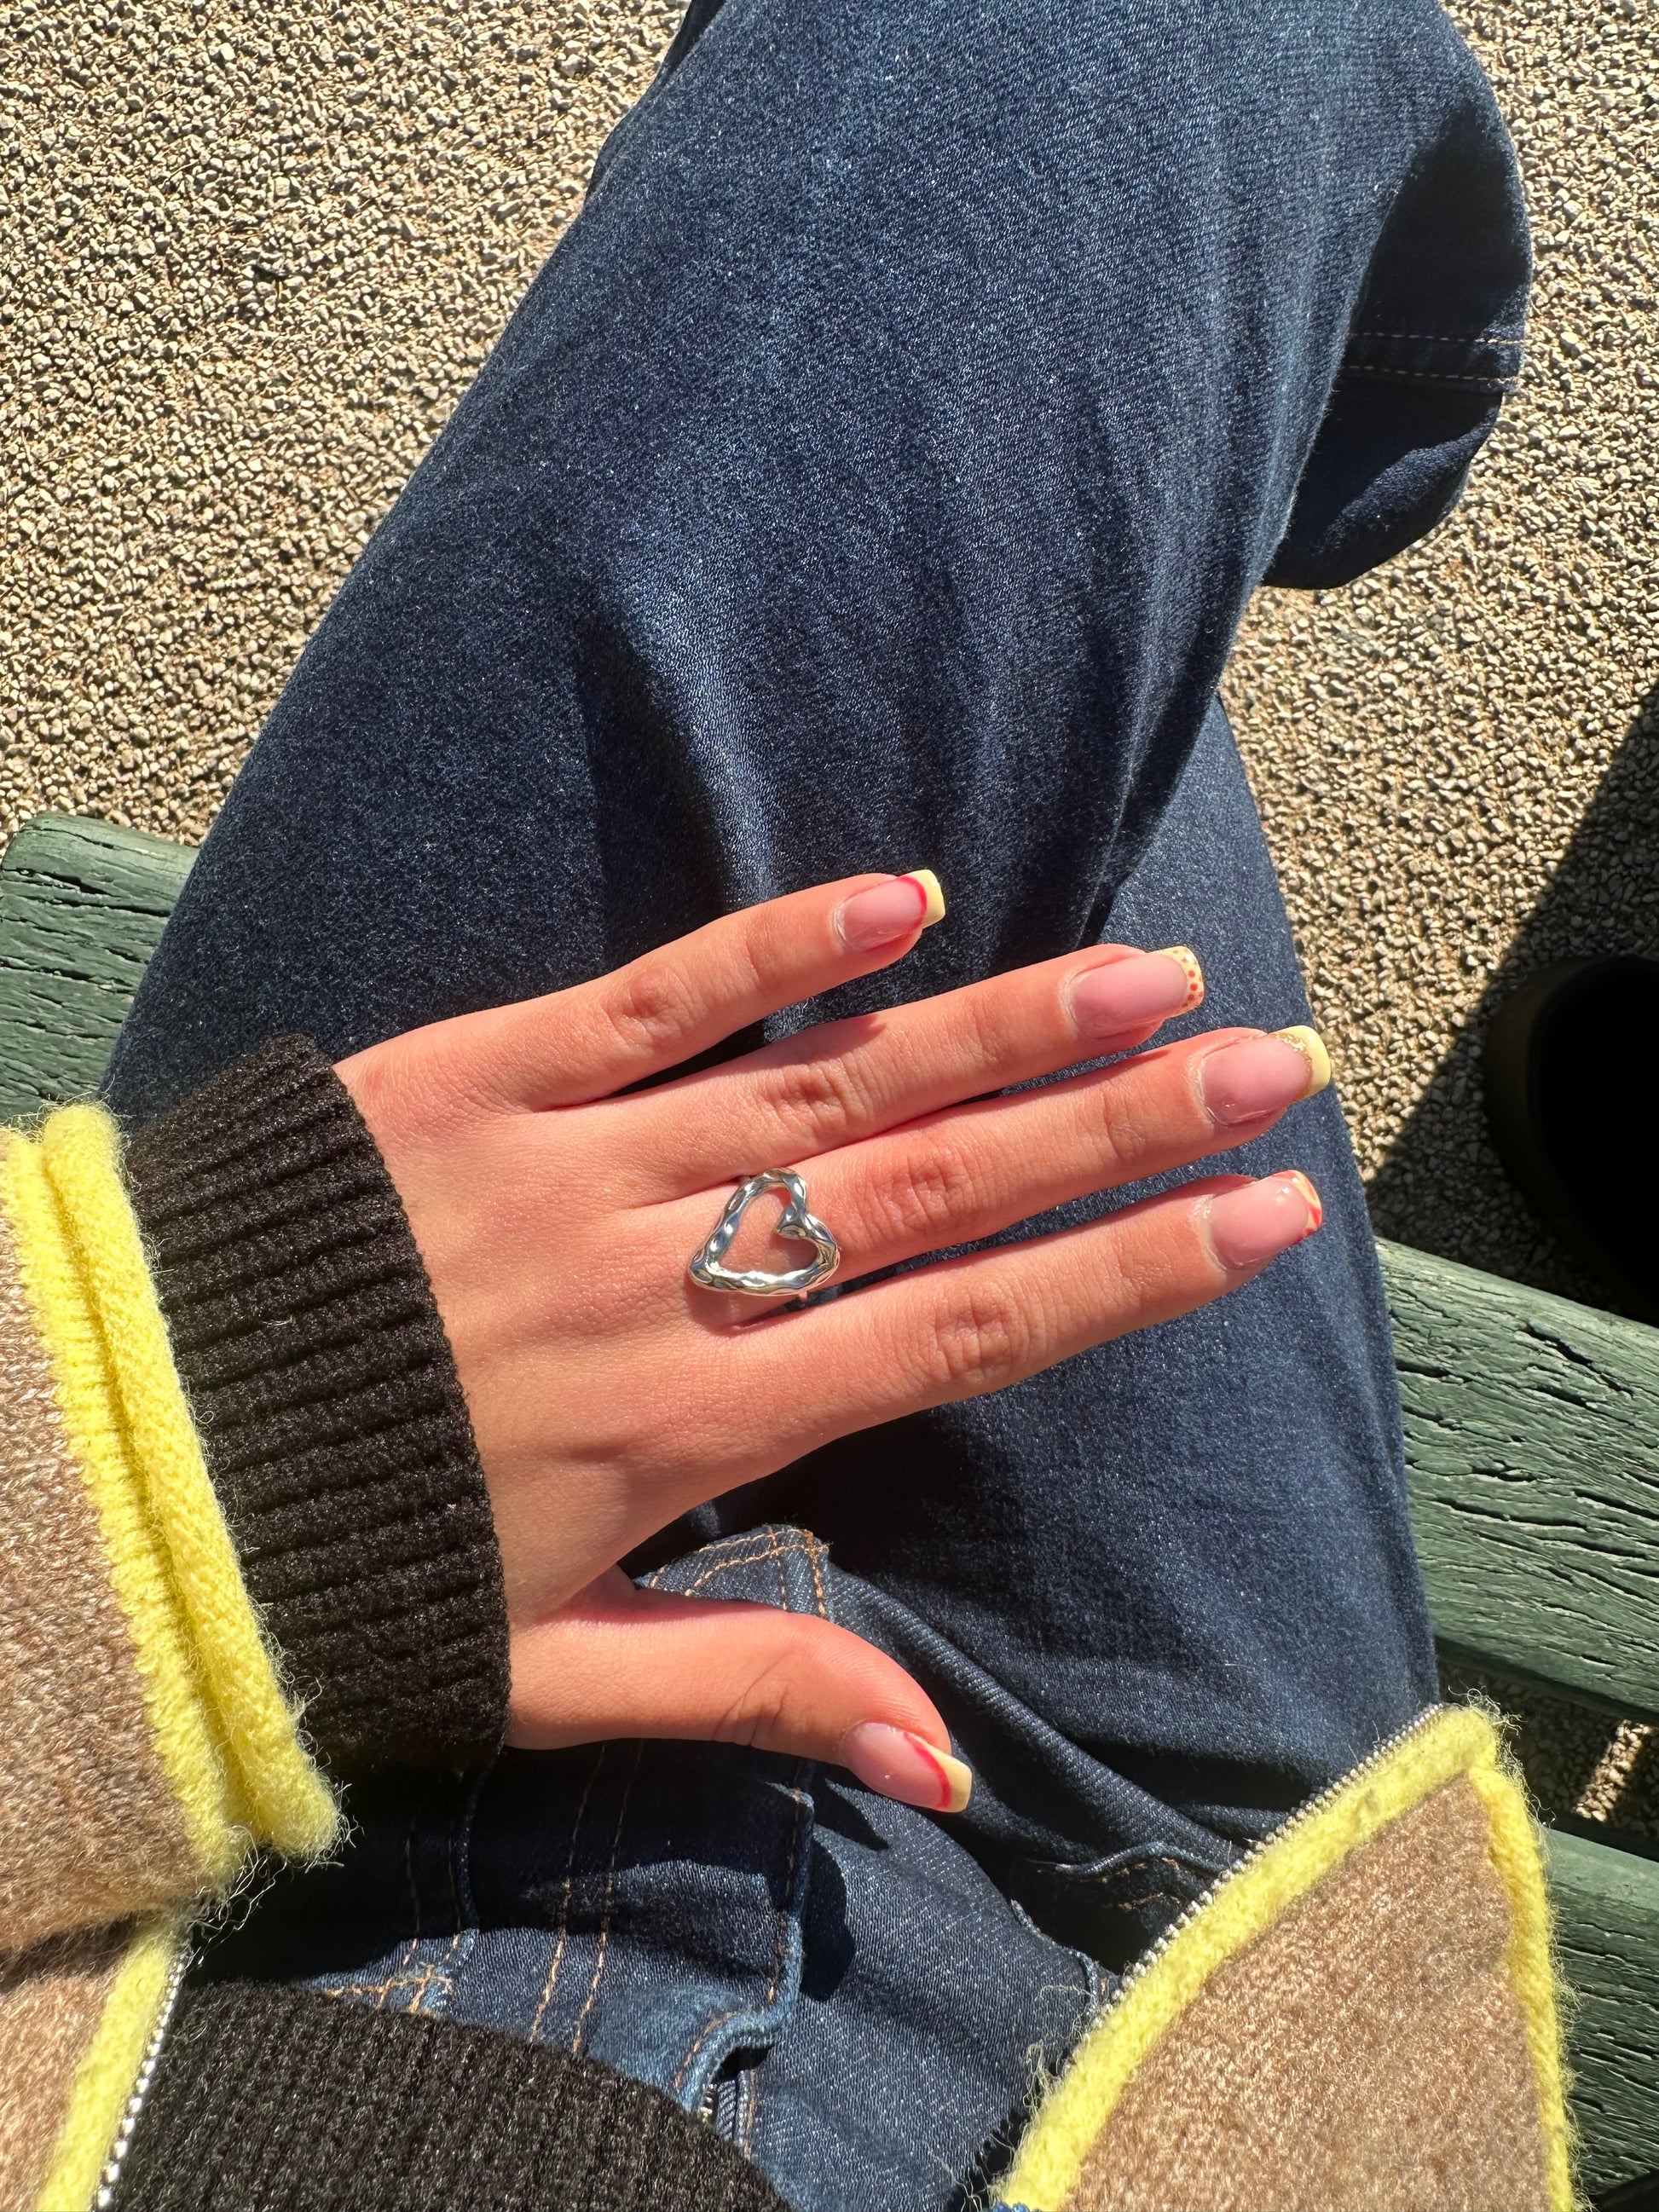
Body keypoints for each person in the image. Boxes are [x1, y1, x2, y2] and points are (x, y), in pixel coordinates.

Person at [0, 0, 1561, 2207]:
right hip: (1177, 1973)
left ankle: (1303, 445)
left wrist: (186, 1487)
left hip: (226, 1691)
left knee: (1102, 104)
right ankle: (1338, 438)